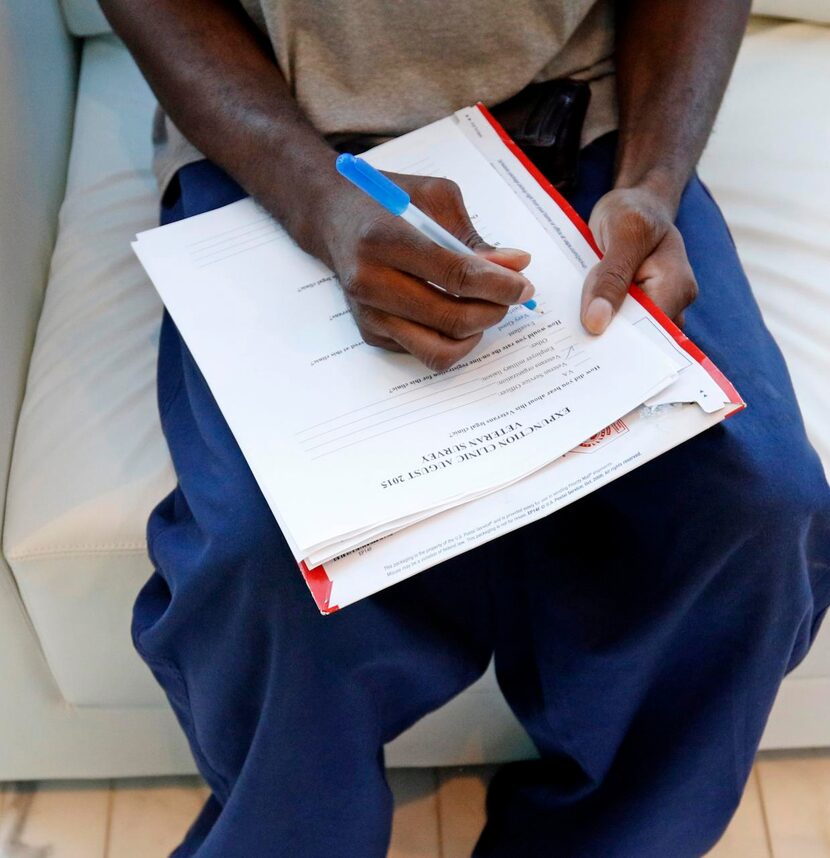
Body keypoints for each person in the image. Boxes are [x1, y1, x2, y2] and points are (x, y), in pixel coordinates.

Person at [100, 1, 830, 855]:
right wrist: (319, 200)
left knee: (760, 505)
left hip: (584, 138)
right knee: (268, 556)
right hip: (277, 144)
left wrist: (654, 182)